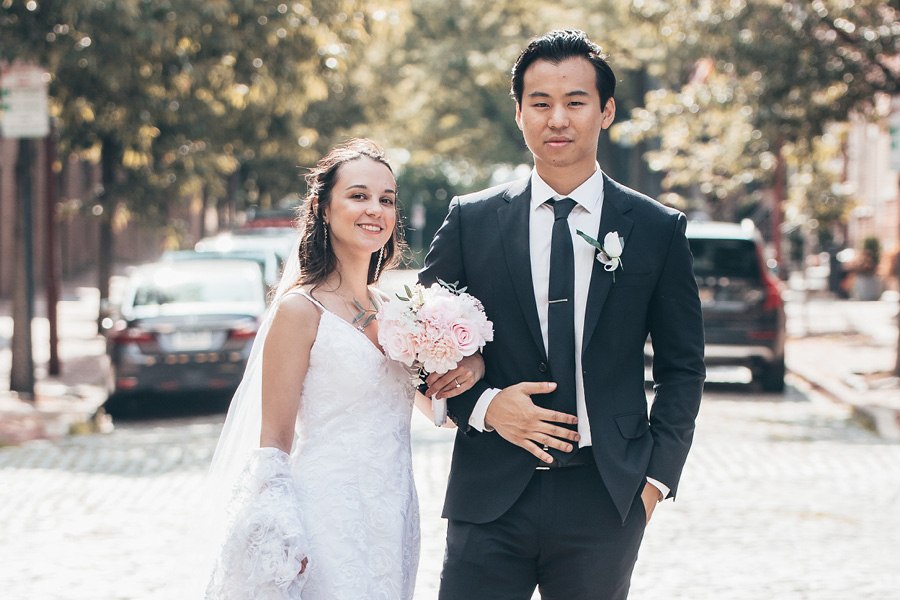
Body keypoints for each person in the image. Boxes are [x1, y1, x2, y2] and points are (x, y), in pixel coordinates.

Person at [419, 30, 706, 599]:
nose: (558, 119)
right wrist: (482, 407)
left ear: (606, 112)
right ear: (519, 113)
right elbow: (417, 342)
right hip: (489, 494)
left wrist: (652, 482)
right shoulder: (472, 220)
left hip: (605, 498)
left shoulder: (655, 228)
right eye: (540, 103)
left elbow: (684, 368)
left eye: (575, 102)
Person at [202, 139, 482, 599]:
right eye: (358, 196)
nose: (375, 209)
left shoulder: (396, 310)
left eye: (386, 199)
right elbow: (273, 442)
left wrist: (464, 365)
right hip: (325, 514)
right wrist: (283, 531)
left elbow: (437, 410)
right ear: (323, 209)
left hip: (393, 514)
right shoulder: (301, 310)